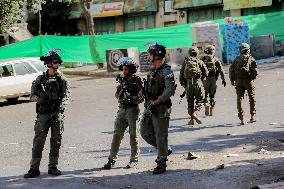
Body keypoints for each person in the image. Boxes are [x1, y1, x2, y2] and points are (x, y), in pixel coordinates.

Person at [24, 49, 71, 178]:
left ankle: (53, 166)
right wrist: (39, 99)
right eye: (55, 62)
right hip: (43, 114)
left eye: (58, 62)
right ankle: (34, 168)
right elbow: (32, 95)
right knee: (38, 141)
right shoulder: (40, 79)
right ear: (49, 63)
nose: (57, 65)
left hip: (57, 114)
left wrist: (61, 106)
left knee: (56, 141)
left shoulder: (62, 79)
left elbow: (67, 96)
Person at [140, 42, 176, 174]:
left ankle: (161, 163)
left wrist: (158, 101)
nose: (148, 57)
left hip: (161, 108)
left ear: (156, 56)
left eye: (150, 54)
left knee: (161, 137)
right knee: (145, 133)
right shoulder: (153, 71)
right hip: (150, 106)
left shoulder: (167, 71)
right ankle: (165, 150)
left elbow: (170, 89)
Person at [103, 57, 144, 169]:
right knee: (117, 135)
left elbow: (141, 98)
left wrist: (130, 98)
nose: (124, 71)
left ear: (131, 69)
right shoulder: (122, 80)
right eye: (123, 69)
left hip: (132, 111)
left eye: (126, 69)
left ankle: (134, 160)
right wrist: (121, 94)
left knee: (133, 135)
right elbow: (116, 95)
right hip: (122, 110)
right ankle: (111, 160)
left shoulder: (137, 81)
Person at [229, 43, 258, 125]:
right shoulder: (251, 58)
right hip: (248, 81)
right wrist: (253, 77)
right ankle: (253, 116)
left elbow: (231, 70)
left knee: (240, 99)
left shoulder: (236, 59)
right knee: (252, 97)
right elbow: (255, 71)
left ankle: (242, 118)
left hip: (238, 81)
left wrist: (232, 80)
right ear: (248, 50)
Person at [179, 46, 208, 125]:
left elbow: (181, 75)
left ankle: (192, 120)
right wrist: (200, 80)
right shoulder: (199, 61)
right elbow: (206, 72)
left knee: (190, 103)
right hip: (198, 82)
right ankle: (195, 113)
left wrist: (184, 85)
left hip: (188, 84)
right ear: (197, 53)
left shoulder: (186, 61)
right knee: (200, 100)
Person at [202, 45, 226, 116]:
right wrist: (223, 79)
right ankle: (212, 110)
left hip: (205, 80)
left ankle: (206, 104)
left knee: (205, 95)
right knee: (212, 96)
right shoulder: (215, 59)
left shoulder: (203, 59)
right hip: (213, 79)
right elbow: (221, 70)